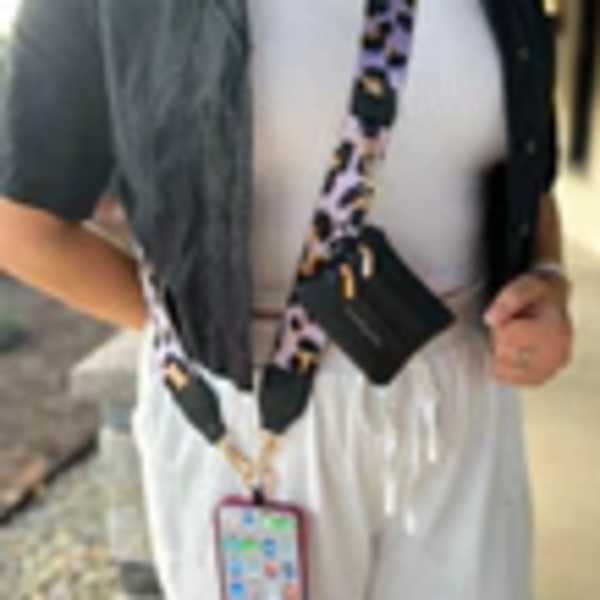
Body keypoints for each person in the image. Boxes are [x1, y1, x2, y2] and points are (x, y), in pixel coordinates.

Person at [0, 1, 574, 599]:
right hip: (247, 419)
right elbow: (22, 225)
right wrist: (196, 326)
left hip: (465, 403)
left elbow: (528, 181)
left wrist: (548, 279)